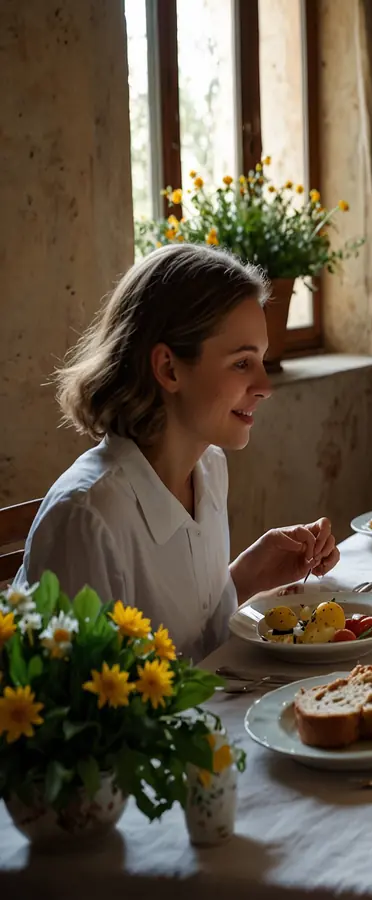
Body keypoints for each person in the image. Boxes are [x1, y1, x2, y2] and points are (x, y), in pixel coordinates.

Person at [17, 244, 340, 663]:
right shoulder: (87, 518)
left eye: (261, 360)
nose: (265, 387)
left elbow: (194, 646)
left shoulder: (209, 467)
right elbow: (77, 700)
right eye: (242, 363)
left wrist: (245, 577)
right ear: (168, 369)